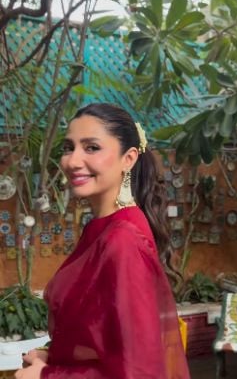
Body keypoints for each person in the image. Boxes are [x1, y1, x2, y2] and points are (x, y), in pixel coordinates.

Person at [16, 103, 189, 379]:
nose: (72, 161)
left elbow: (140, 371)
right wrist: (54, 359)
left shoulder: (123, 239)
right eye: (68, 147)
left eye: (92, 148)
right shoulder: (101, 228)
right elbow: (106, 343)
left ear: (129, 158)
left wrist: (48, 375)